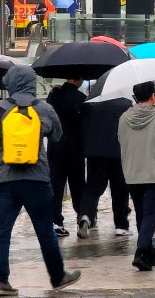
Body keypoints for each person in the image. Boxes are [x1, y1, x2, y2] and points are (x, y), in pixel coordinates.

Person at [0, 65, 81, 294]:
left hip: (6, 179)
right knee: (45, 229)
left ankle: (1, 281)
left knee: (3, 231)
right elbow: (57, 136)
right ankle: (57, 277)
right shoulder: (44, 108)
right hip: (37, 178)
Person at [118, 81, 155, 271]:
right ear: (153, 96)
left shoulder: (124, 118)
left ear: (135, 97)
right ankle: (141, 251)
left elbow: (120, 140)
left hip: (132, 173)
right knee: (150, 215)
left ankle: (149, 253)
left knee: (142, 214)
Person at [77, 97, 132, 239]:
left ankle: (86, 215)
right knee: (119, 189)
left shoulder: (90, 104)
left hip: (95, 152)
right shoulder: (125, 104)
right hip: (117, 152)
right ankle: (121, 225)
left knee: (92, 187)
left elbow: (82, 125)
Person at [46, 77, 86, 238]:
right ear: (78, 79)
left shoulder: (53, 96)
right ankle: (82, 216)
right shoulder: (81, 99)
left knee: (55, 186)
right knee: (78, 186)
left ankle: (56, 221)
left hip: (56, 147)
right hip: (76, 149)